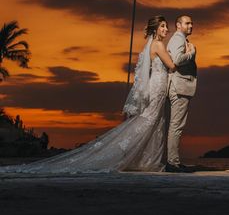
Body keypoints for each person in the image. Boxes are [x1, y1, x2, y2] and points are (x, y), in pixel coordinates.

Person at [0, 16, 178, 174]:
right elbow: (171, 65)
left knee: (153, 121)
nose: (166, 29)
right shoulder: (158, 44)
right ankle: (136, 158)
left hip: (157, 84)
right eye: (162, 26)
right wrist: (185, 52)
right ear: (155, 29)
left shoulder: (151, 46)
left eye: (166, 26)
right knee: (150, 121)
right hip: (158, 86)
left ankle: (144, 160)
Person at [165, 14, 197, 172]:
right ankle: (172, 162)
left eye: (191, 24)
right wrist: (192, 54)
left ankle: (172, 160)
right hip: (179, 86)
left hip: (179, 86)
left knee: (175, 125)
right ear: (178, 25)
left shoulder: (181, 39)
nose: (190, 26)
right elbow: (177, 60)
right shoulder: (178, 38)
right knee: (176, 125)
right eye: (187, 23)